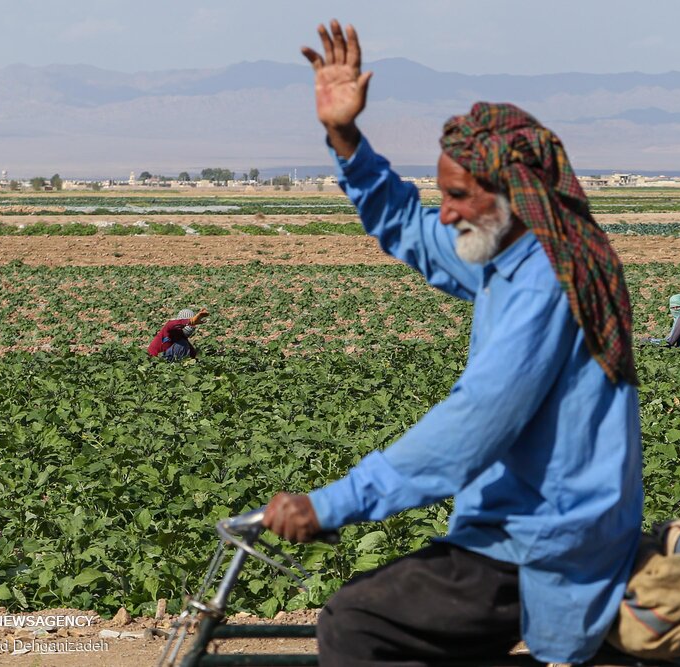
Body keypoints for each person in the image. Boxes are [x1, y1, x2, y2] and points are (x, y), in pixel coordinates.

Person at [263, 20, 643, 666]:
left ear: (514, 195)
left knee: (356, 622)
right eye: (444, 193)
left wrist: (332, 504)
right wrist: (345, 136)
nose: (445, 211)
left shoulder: (548, 284)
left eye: (458, 195)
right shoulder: (510, 252)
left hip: (539, 538)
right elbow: (412, 229)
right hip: (516, 526)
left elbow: (473, 424)